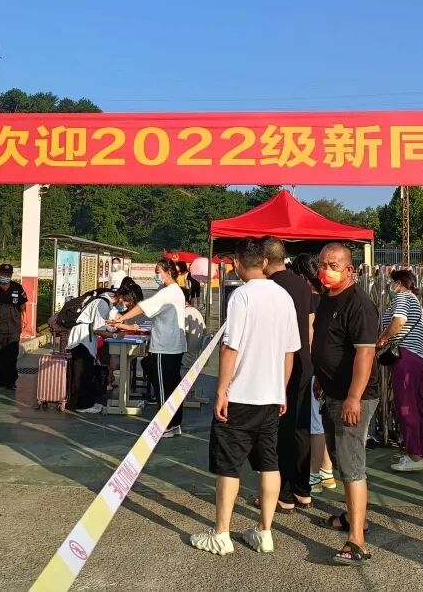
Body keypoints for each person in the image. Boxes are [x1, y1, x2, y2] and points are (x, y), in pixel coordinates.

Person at [190, 237, 300, 556]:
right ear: (264, 262)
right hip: (271, 396)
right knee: (269, 462)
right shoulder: (284, 297)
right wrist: (282, 389)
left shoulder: (241, 295)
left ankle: (221, 533)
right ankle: (265, 530)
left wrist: (222, 389)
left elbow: (231, 347)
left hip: (241, 394)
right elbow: (290, 351)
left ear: (237, 263)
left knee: (228, 465)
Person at [310, 242, 380, 565]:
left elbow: (365, 354)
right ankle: (354, 517)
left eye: (334, 265)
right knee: (341, 458)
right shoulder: (327, 299)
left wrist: (353, 397)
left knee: (352, 464)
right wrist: (320, 378)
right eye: (323, 264)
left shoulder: (359, 305)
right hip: (331, 392)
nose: (326, 270)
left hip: (354, 397)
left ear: (350, 270)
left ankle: (357, 541)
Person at [262, 238, 320, 511]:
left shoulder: (268, 287)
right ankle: (302, 489)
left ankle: (283, 494)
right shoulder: (302, 285)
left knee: (279, 429)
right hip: (304, 362)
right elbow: (310, 326)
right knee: (301, 427)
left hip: (278, 363)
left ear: (264, 260)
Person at [112, 258, 187, 437]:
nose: (156, 276)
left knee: (163, 388)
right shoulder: (177, 291)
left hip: (164, 347)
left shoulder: (167, 292)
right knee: (173, 387)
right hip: (175, 346)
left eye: (158, 272)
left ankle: (166, 425)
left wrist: (122, 318)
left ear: (168, 272)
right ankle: (175, 423)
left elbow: (143, 307)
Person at [375, 268, 423, 472]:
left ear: (398, 283)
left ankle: (413, 455)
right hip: (418, 357)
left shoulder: (402, 297)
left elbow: (399, 321)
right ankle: (421, 453)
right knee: (418, 406)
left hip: (405, 357)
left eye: (393, 283)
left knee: (406, 406)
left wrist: (382, 339)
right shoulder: (416, 302)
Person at [290, 253, 335, 492]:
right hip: (328, 367)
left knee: (314, 423)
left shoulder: (309, 301)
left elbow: (310, 338)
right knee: (322, 420)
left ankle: (314, 474)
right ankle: (326, 469)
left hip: (314, 367)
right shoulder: (329, 299)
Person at [67, 288, 116, 414]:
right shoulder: (102, 304)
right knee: (83, 372)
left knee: (86, 371)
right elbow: (98, 329)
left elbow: (102, 325)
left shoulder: (101, 301)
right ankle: (82, 405)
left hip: (82, 337)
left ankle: (86, 403)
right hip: (83, 339)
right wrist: (116, 335)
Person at [0, 263, 29, 394]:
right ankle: (1, 380)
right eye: (3, 274)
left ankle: (11, 381)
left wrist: (25, 318)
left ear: (11, 275)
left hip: (14, 327)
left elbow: (22, 305)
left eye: (8, 274)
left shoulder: (17, 288)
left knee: (12, 355)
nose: (6, 276)